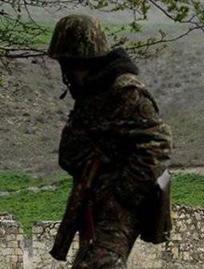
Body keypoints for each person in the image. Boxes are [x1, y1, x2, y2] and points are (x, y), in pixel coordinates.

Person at [47, 14, 173, 268]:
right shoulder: (92, 94)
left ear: (80, 60)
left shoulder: (125, 91)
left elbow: (158, 144)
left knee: (100, 264)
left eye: (67, 63)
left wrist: (121, 194)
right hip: (95, 200)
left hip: (119, 208)